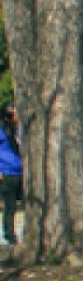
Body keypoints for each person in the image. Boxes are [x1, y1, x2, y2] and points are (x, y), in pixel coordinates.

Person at [0, 105, 21, 245]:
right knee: (10, 206)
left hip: (19, 171)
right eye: (14, 114)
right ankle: (9, 234)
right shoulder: (2, 132)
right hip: (7, 172)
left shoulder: (17, 131)